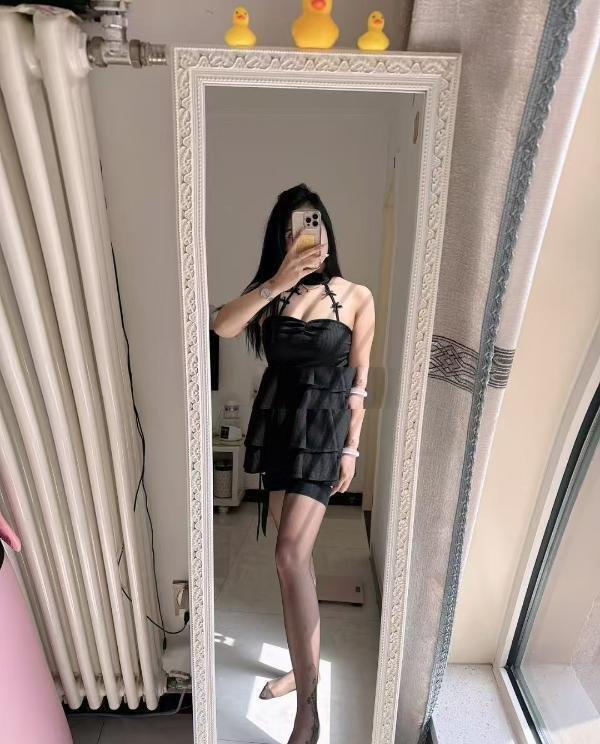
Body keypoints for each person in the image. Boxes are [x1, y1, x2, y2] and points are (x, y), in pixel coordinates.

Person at [213, 183, 375, 744]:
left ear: (326, 229)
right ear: (280, 241)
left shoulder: (357, 295)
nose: (304, 237)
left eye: (311, 224)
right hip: (281, 428)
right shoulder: (274, 295)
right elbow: (223, 326)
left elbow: (360, 380)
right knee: (297, 565)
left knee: (287, 555)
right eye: (290, 231)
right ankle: (302, 670)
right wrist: (277, 281)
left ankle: (310, 709)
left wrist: (352, 447)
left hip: (325, 432)